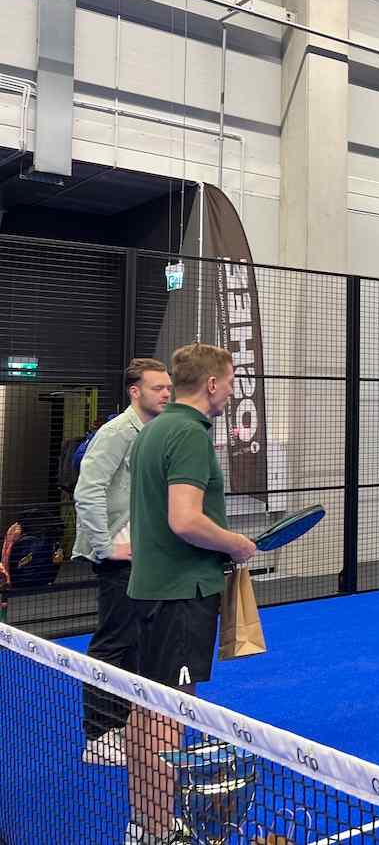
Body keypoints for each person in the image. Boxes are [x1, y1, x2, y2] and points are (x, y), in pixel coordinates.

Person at [124, 343, 258, 845]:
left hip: (152, 590)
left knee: (147, 706)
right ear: (212, 384)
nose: (231, 392)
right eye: (231, 382)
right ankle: (160, 831)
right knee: (169, 711)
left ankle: (147, 823)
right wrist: (236, 543)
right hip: (180, 594)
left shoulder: (155, 429)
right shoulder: (189, 435)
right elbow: (184, 520)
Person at [72, 359, 172, 767]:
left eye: (168, 387)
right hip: (118, 560)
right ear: (135, 391)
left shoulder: (155, 432)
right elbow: (87, 490)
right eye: (157, 388)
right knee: (113, 644)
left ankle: (125, 725)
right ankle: (98, 736)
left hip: (146, 558)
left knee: (136, 643)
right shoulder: (115, 432)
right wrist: (105, 547)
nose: (166, 393)